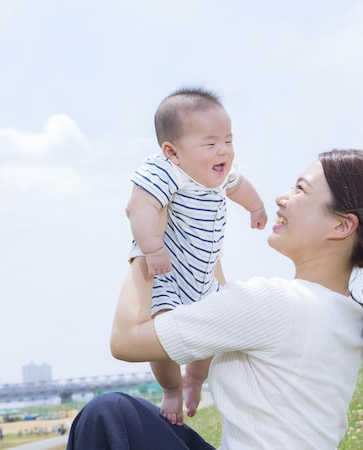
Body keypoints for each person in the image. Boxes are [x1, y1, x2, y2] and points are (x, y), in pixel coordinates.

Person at [69, 149, 363, 449]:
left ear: (341, 226)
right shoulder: (344, 313)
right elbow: (222, 302)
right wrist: (192, 219)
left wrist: (146, 244)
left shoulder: (275, 304)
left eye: (300, 189)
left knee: (109, 414)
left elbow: (126, 341)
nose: (282, 197)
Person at [126, 87, 267, 425]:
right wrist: (153, 249)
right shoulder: (166, 172)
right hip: (169, 276)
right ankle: (172, 388)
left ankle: (196, 379)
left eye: (228, 141)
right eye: (210, 144)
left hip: (204, 280)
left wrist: (256, 206)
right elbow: (139, 206)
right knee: (160, 339)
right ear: (172, 151)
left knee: (210, 339)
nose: (224, 151)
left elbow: (239, 185)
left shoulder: (217, 174)